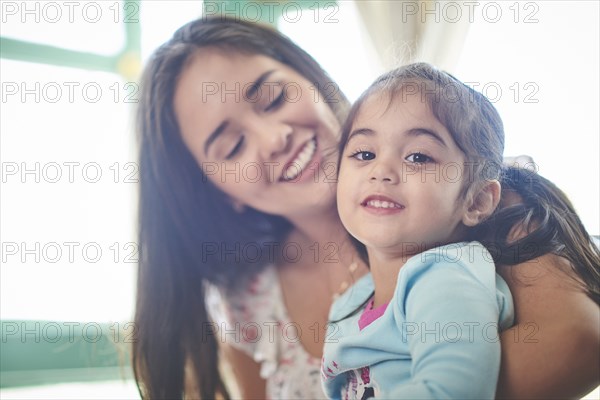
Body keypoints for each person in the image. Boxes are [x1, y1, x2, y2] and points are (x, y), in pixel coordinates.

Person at [132, 16, 600, 399]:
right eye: (233, 146)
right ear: (219, 190)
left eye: (274, 98)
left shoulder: (483, 204)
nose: (275, 139)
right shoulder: (248, 303)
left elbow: (579, 343)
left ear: (313, 80)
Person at [321, 62, 515, 398]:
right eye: (364, 153)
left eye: (418, 157)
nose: (381, 170)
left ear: (477, 201)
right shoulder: (350, 303)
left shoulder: (446, 278)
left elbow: (453, 391)